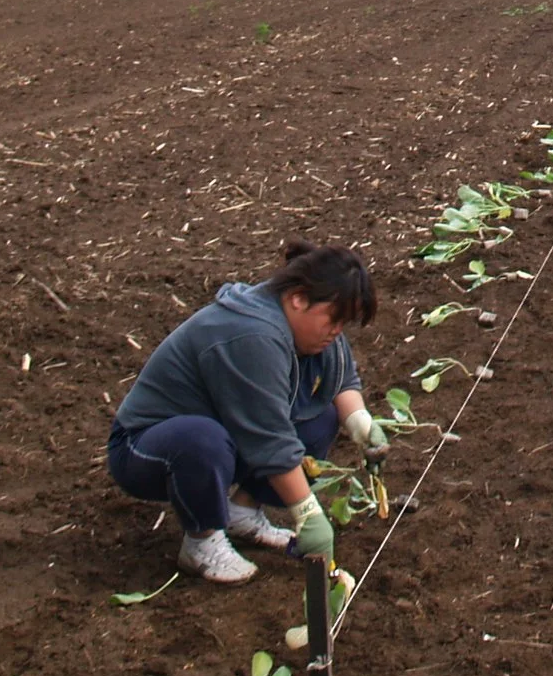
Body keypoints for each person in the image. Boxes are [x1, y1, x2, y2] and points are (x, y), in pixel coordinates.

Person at [106, 240, 388, 585]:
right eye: (334, 319)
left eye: (344, 323)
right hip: (144, 448)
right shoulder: (252, 335)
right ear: (299, 298)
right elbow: (269, 439)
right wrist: (307, 513)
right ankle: (202, 540)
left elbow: (341, 377)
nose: (337, 331)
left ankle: (242, 512)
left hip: (228, 437)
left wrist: (359, 421)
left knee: (321, 417)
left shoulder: (310, 324)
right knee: (202, 441)